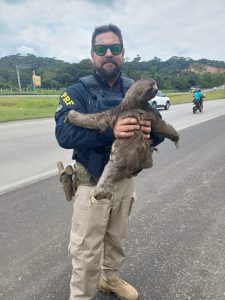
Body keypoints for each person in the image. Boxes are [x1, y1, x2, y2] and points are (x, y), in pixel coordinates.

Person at [55, 24, 164, 300]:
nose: (108, 54)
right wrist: (110, 129)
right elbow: (64, 133)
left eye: (114, 48)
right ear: (92, 55)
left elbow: (160, 130)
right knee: (86, 250)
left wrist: (151, 134)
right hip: (91, 184)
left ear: (123, 53)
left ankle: (110, 280)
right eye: (101, 49)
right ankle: (81, 296)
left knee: (117, 240)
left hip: (124, 181)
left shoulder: (136, 89)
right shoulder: (77, 91)